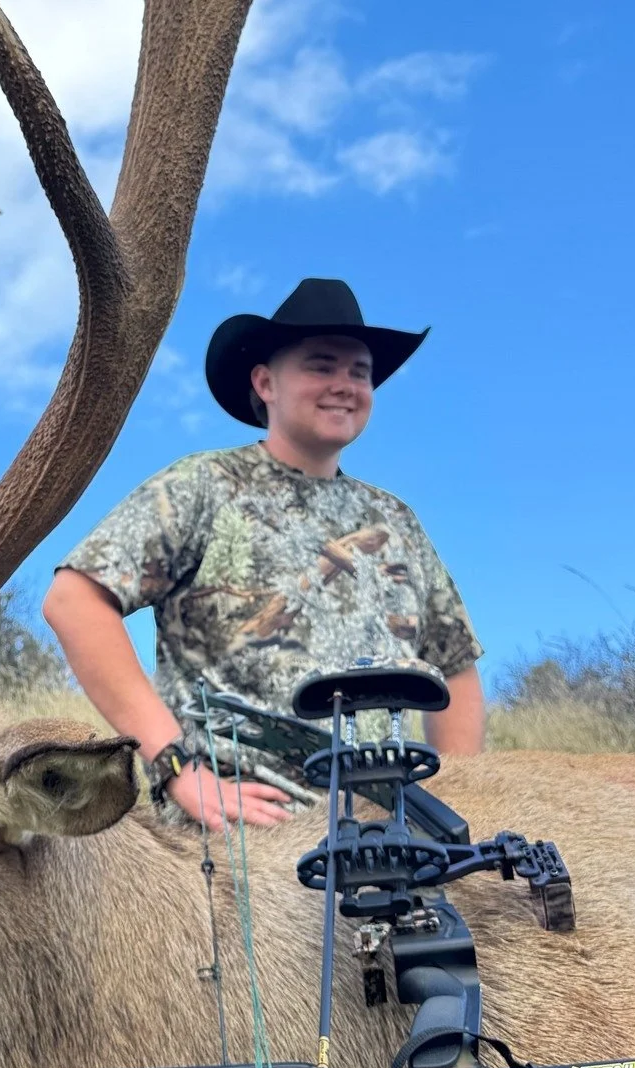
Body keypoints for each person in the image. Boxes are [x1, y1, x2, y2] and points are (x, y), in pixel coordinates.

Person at [43, 278, 485, 830]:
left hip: (387, 844)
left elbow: (455, 667)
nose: (345, 386)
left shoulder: (395, 520)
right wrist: (176, 765)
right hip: (243, 840)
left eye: (360, 372)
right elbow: (74, 602)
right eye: (322, 366)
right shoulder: (202, 485)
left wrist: (452, 811)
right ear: (265, 382)